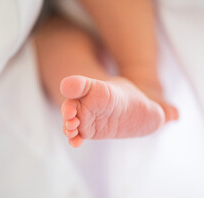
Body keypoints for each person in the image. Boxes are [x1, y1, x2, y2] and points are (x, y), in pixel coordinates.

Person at [34, 0, 178, 147]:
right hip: (48, 22)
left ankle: (142, 79)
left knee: (54, 46)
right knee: (55, 53)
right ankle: (95, 100)